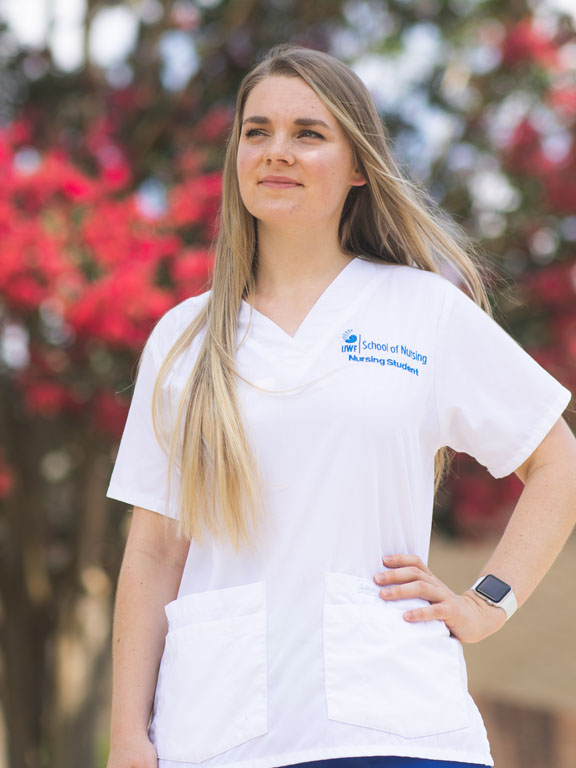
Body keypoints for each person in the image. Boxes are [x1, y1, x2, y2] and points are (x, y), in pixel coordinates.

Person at [105, 44, 576, 768]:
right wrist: (127, 736)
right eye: (256, 131)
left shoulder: (423, 310)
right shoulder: (185, 340)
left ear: (359, 166)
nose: (277, 152)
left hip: (397, 728)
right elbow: (154, 552)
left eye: (308, 133)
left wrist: (486, 603)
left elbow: (559, 463)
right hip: (220, 733)